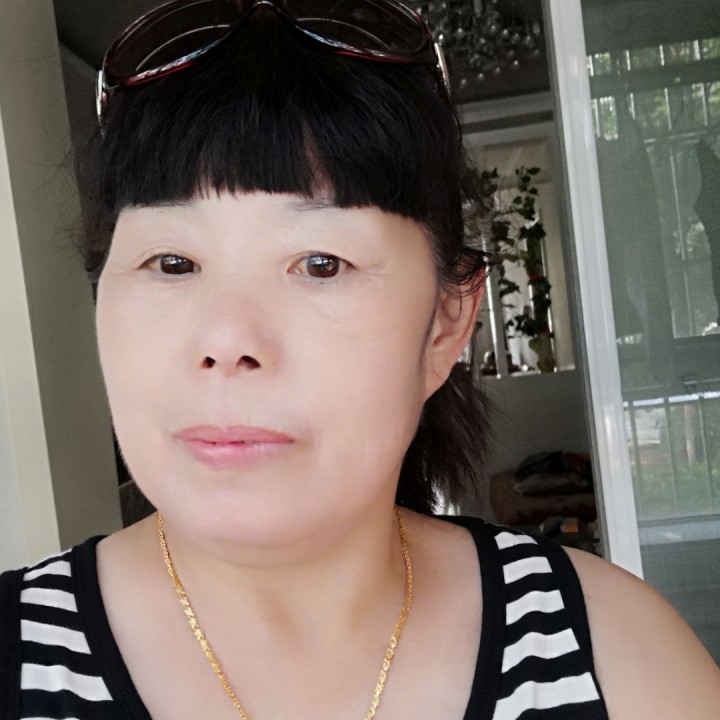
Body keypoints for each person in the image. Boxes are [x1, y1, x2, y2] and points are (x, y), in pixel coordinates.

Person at [1, 1, 719, 718]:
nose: (226, 339)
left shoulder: (620, 658)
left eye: (321, 263)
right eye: (172, 262)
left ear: (444, 325)